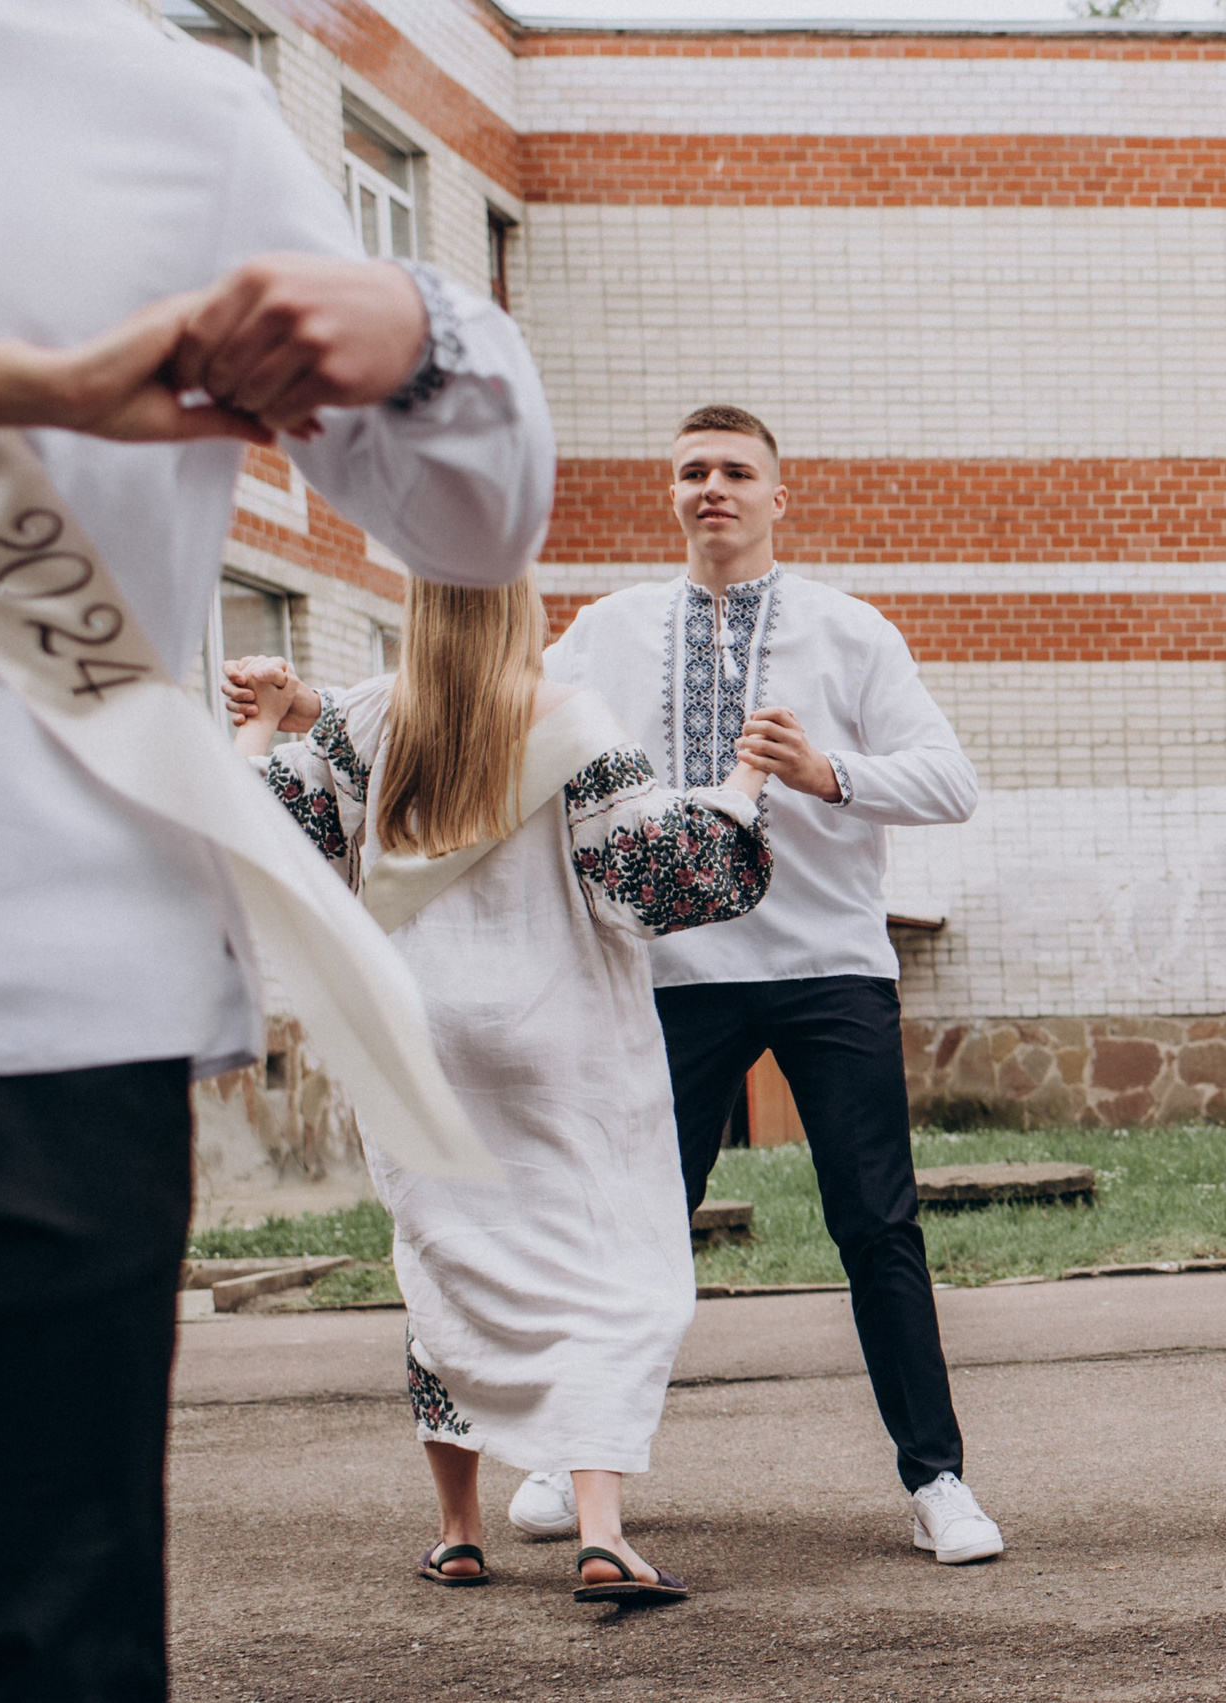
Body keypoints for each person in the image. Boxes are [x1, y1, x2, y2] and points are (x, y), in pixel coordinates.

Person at [0, 1, 555, 1692]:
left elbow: (477, 514)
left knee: (47, 1637)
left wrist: (415, 327)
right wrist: (44, 388)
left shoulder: (162, 106)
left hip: (41, 1009)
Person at [227, 573, 769, 1601]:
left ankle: (459, 1530)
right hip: (554, 1040)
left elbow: (274, 838)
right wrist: (738, 793)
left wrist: (258, 728)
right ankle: (601, 1528)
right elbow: (647, 880)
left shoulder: (370, 715)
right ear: (521, 612)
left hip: (413, 1034)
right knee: (599, 1266)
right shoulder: (571, 721)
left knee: (447, 1263)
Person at [528, 404, 1003, 1564]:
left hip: (828, 964)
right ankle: (567, 1451)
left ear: (777, 495)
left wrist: (827, 770)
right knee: (633, 1226)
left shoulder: (847, 631)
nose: (713, 488)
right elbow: (505, 740)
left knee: (876, 1222)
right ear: (670, 493)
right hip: (668, 969)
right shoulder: (604, 630)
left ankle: (938, 1478)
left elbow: (951, 781)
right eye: (692, 471)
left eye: (737, 471)